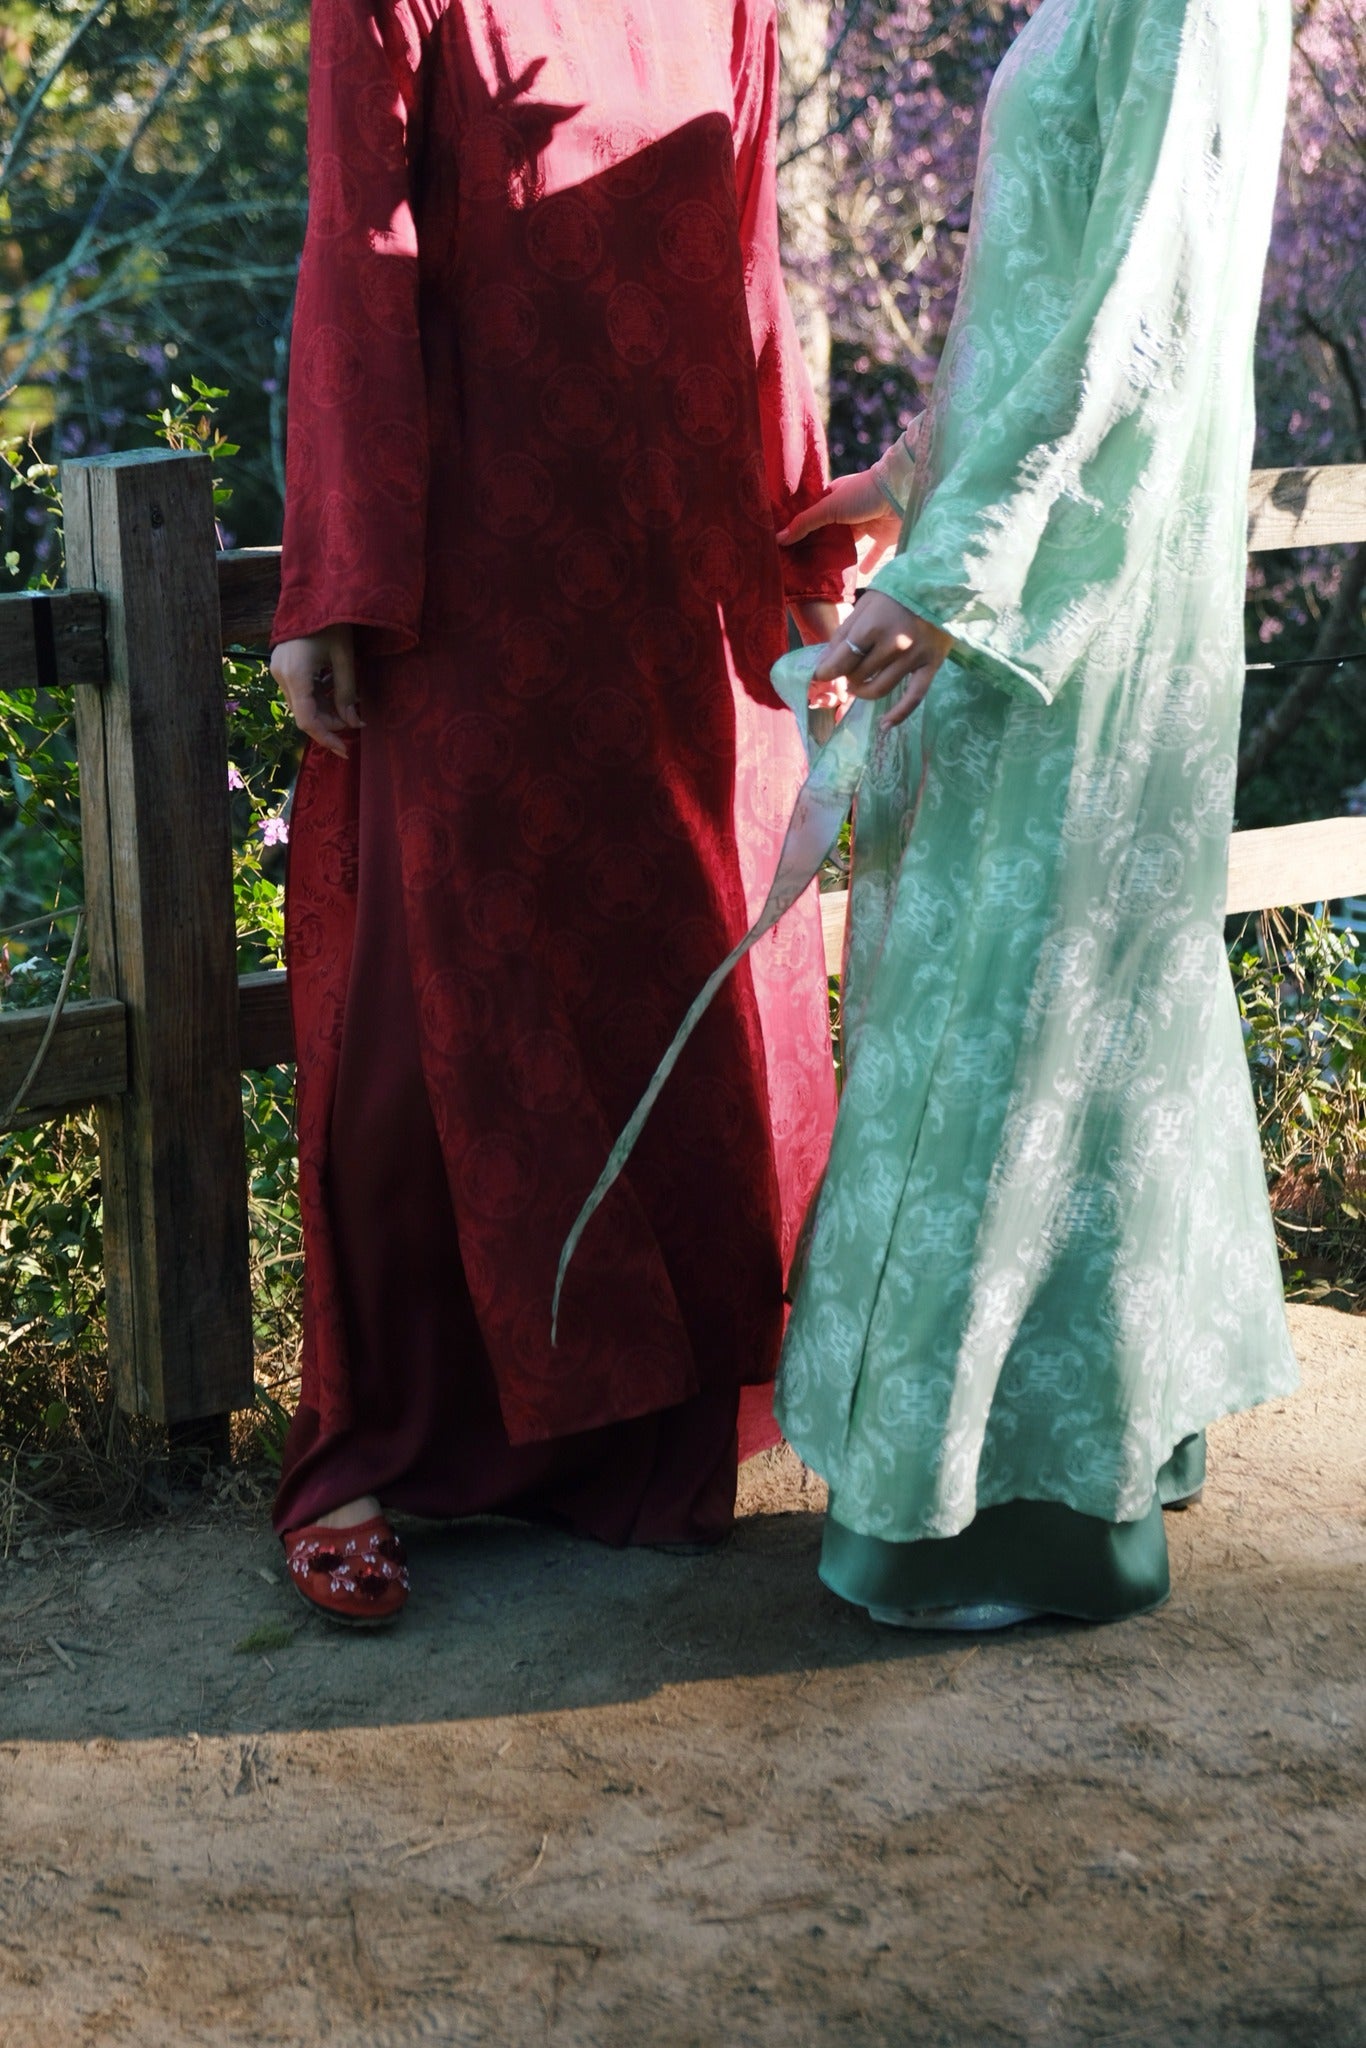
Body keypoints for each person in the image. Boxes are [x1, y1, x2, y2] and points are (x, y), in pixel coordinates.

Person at [268, 0, 853, 1622]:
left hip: (678, 560)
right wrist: (337, 578)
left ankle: (632, 1442)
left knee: (666, 981)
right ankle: (368, 1452)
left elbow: (750, 251)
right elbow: (357, 256)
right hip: (477, 562)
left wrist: (796, 534)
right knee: (426, 1013)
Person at [773, 0, 1298, 1628]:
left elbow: (1146, 307)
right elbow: (1049, 291)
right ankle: (1091, 1450)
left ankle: (1012, 1516)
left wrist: (954, 569)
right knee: (1038, 1006)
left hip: (1072, 608)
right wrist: (913, 473)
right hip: (1027, 576)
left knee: (1026, 1013)